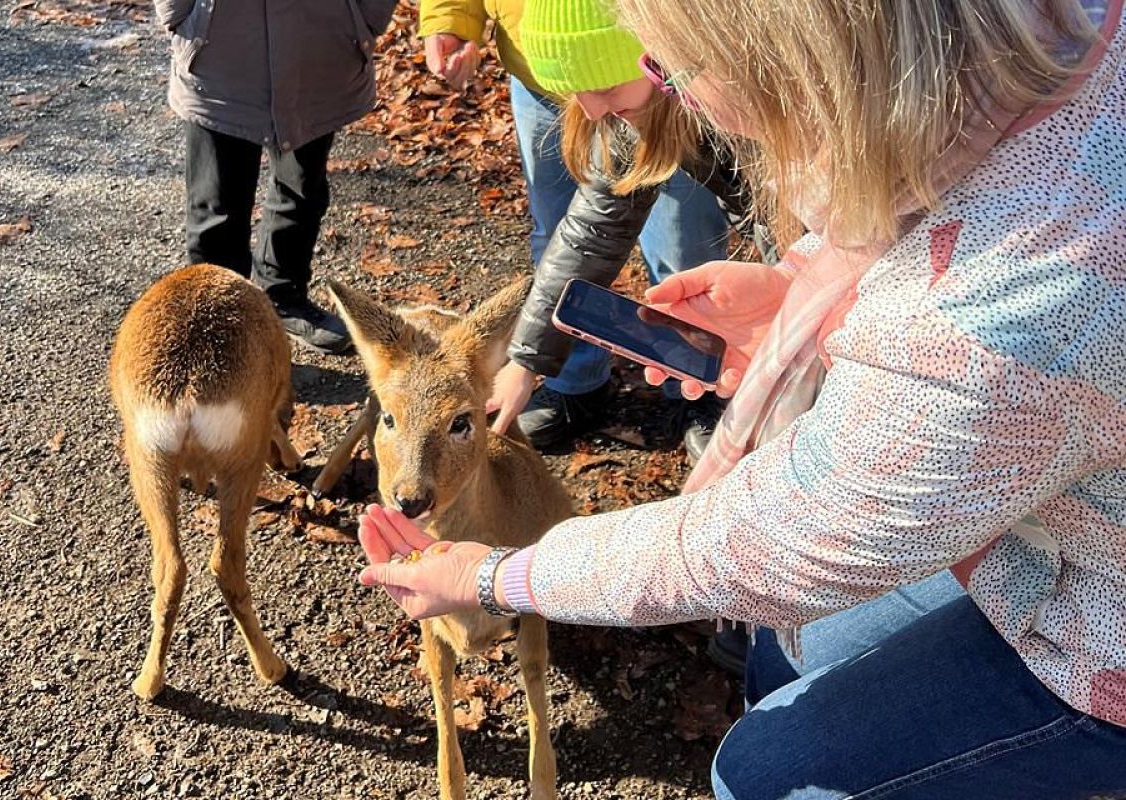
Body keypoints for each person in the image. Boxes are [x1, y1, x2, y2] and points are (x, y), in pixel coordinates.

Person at [356, 0, 1126, 796]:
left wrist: (496, 577)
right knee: (787, 651)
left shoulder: (990, 317)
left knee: (761, 775)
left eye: (671, 69)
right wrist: (801, 289)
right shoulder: (1044, 43)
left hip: (1103, 634)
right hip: (1044, 520)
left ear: (791, 52)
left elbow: (765, 541)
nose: (669, 93)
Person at [418, 0, 740, 456]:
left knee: (686, 256)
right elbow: (592, 233)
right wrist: (525, 362)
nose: (589, 112)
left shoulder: (752, 102)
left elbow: (804, 233)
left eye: (603, 87)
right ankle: (587, 387)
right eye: (575, 93)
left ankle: (706, 397)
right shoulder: (634, 109)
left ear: (660, 54)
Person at [158, 0, 396, 353]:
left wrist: (366, 16)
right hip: (220, 53)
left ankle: (283, 297)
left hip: (319, 50)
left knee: (302, 189)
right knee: (216, 208)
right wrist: (180, 14)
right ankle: (218, 331)